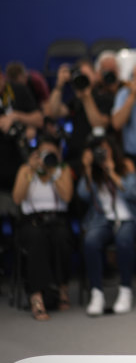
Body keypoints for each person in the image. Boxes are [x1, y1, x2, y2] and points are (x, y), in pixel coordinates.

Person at [77, 134, 136, 316]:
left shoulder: (125, 165)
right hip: (102, 220)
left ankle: (125, 290)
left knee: (124, 240)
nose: (101, 153)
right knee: (90, 241)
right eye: (97, 150)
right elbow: (83, 195)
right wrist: (88, 168)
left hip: (127, 218)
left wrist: (113, 173)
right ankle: (96, 292)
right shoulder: (93, 170)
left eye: (104, 149)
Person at [12, 135, 74, 321]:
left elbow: (67, 197)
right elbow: (17, 198)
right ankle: (36, 297)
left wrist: (52, 172)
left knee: (62, 237)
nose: (46, 157)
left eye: (51, 153)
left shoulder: (62, 170)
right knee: (35, 238)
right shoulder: (26, 169)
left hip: (56, 220)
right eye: (42, 153)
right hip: (32, 221)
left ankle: (62, 288)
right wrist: (32, 169)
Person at [46, 56, 119, 173]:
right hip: (75, 157)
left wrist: (86, 97)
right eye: (80, 75)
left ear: (95, 75)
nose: (83, 78)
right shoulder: (75, 100)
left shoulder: (105, 98)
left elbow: (99, 124)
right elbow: (54, 112)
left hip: (98, 158)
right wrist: (59, 85)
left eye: (86, 75)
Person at [0, 66, 43, 218]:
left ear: (2, 77)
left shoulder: (18, 90)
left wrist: (16, 116)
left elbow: (39, 119)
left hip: (18, 159)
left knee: (20, 213)